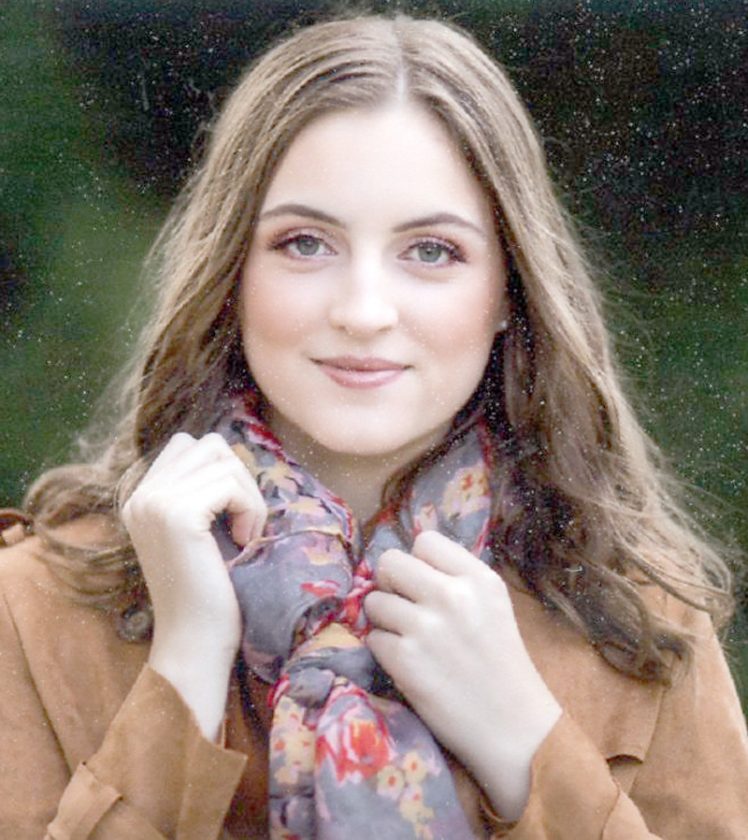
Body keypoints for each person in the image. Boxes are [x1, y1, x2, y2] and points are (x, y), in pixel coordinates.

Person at [1, 12, 746, 839]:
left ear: (510, 291)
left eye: (431, 251)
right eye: (305, 243)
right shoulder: (34, 604)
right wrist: (186, 661)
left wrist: (523, 743)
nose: (363, 311)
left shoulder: (643, 616)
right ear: (232, 272)